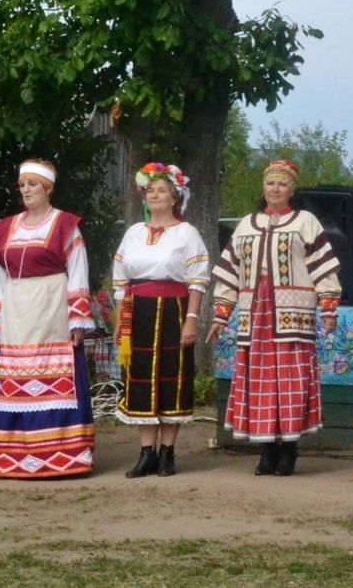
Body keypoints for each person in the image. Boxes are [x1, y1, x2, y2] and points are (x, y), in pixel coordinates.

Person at [209, 158, 342, 476]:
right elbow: (229, 272)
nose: (276, 188)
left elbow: (322, 267)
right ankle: (266, 451)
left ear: (291, 189)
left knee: (290, 383)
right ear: (263, 187)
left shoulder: (305, 221)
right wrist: (221, 314)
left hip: (291, 313)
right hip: (254, 315)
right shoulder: (246, 224)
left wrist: (328, 307)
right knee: (259, 384)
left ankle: (289, 452)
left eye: (282, 183)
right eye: (271, 182)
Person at [0, 159, 96, 479]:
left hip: (52, 306)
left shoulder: (65, 225)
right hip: (17, 311)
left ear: (48, 189)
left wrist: (77, 320)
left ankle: (62, 457)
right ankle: (12, 457)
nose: (26, 190)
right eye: (22, 185)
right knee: (17, 379)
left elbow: (79, 272)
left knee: (55, 374)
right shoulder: (6, 227)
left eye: (32, 184)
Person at [111, 162, 211, 478]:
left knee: (172, 376)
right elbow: (119, 281)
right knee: (139, 378)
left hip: (173, 310)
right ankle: (146, 454)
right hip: (137, 310)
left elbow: (197, 280)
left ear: (175, 197)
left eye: (162, 190)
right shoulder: (133, 233)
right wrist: (118, 322)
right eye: (150, 190)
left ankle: (167, 453)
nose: (155, 195)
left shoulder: (186, 233)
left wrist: (191, 319)